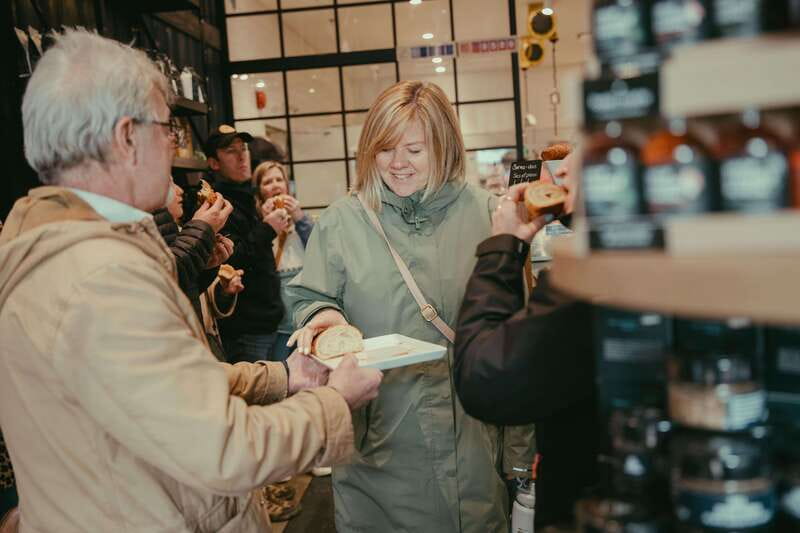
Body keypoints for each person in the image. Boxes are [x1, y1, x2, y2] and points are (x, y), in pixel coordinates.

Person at [0, 29, 382, 533]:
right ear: (126, 137)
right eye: (167, 128)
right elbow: (224, 448)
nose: (175, 144)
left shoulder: (51, 243)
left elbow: (159, 387)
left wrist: (286, 378)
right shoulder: (101, 276)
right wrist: (334, 402)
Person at [285, 80, 535, 533]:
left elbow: (518, 336)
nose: (397, 164)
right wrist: (323, 320)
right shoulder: (343, 221)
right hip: (378, 444)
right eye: (384, 149)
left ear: (444, 146)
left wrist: (519, 459)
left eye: (414, 150)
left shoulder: (487, 215)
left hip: (475, 445)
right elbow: (313, 297)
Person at [453, 152, 600, 528]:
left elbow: (485, 378)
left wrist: (502, 246)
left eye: (581, 150)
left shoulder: (594, 278)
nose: (563, 167)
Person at [205, 126, 288, 363]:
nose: (242, 156)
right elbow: (230, 258)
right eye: (231, 151)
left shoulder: (248, 197)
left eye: (244, 149)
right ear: (214, 163)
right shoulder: (216, 204)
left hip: (270, 321)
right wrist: (268, 228)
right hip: (246, 327)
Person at [253, 161, 313, 362]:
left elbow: (321, 251)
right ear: (259, 191)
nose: (275, 185)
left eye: (280, 179)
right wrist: (265, 223)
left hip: (305, 317)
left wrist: (300, 218)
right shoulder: (256, 224)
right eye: (268, 182)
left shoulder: (302, 221)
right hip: (275, 324)